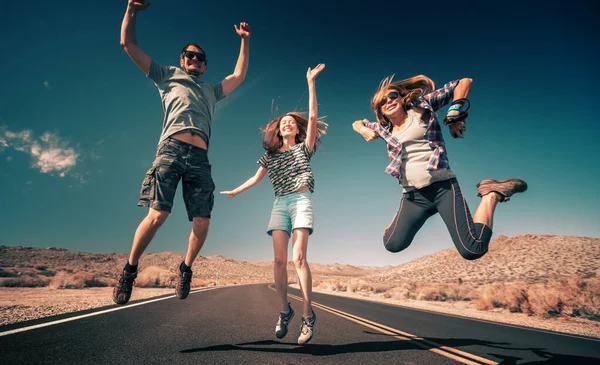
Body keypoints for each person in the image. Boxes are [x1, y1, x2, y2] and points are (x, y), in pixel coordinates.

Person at [112, 0, 251, 305]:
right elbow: (128, 43)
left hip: (199, 158)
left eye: (201, 58)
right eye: (190, 55)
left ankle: (185, 268)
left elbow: (239, 75)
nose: (196, 59)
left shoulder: (211, 91)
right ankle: (130, 270)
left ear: (205, 65)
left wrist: (244, 41)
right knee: (158, 214)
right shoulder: (166, 75)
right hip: (171, 149)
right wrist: (131, 11)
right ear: (182, 59)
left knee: (202, 221)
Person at [352, 75, 527, 261]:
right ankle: (408, 214)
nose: (389, 101)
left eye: (393, 96)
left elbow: (464, 82)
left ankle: (491, 195)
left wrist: (454, 114)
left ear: (401, 98)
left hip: (442, 189)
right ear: (380, 111)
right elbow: (357, 123)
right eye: (382, 102)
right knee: (392, 244)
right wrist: (363, 130)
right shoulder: (383, 128)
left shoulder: (421, 108)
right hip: (413, 197)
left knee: (473, 249)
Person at [220, 64, 327, 345]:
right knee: (279, 261)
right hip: (280, 203)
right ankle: (284, 311)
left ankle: (307, 316)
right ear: (279, 131)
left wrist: (311, 82)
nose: (288, 123)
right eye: (284, 123)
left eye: (291, 122)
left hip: (301, 200)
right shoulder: (269, 156)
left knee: (298, 258)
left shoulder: (305, 148)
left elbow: (313, 115)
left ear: (296, 129)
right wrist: (235, 191)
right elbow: (255, 179)